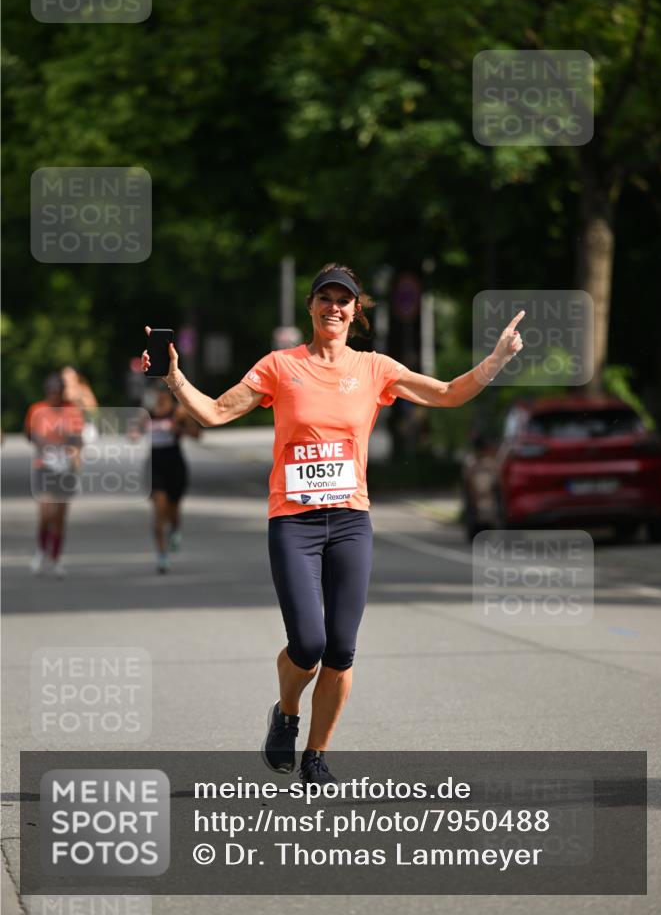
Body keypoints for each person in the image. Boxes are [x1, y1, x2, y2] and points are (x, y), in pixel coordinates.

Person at [142, 264, 524, 786]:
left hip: (349, 522)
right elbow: (213, 413)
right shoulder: (280, 366)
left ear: (355, 311)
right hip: (293, 523)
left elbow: (446, 393)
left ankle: (316, 756)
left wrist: (496, 361)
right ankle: (286, 714)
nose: (334, 308)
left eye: (344, 301)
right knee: (308, 644)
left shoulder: (374, 368)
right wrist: (173, 376)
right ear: (311, 306)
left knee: (341, 649)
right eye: (326, 298)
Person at [24, 373, 84, 577]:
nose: (54, 396)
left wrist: (76, 460)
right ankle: (41, 550)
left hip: (65, 467)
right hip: (44, 466)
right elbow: (31, 436)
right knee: (45, 514)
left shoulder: (72, 410)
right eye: (51, 393)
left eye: (57, 393)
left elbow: (78, 440)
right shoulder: (36, 410)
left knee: (59, 516)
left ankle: (56, 558)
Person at [140, 384, 201, 574]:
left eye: (164, 394)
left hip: (174, 465)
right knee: (159, 511)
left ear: (170, 395)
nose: (160, 397)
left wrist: (179, 430)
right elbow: (136, 432)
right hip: (155, 466)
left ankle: (174, 530)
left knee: (173, 510)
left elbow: (197, 434)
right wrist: (137, 431)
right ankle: (162, 555)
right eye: (157, 394)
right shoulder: (148, 414)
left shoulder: (179, 412)